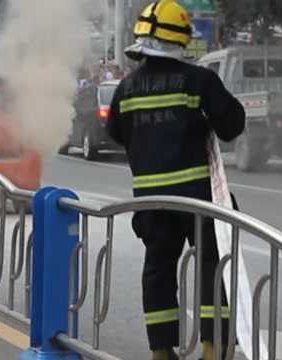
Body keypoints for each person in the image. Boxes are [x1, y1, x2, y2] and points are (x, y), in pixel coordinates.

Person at [105, 1, 246, 359]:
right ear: (179, 39)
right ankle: (213, 346)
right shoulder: (199, 80)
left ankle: (161, 349)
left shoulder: (126, 89)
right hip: (198, 198)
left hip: (151, 200)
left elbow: (117, 134)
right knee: (211, 267)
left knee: (158, 270)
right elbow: (232, 126)